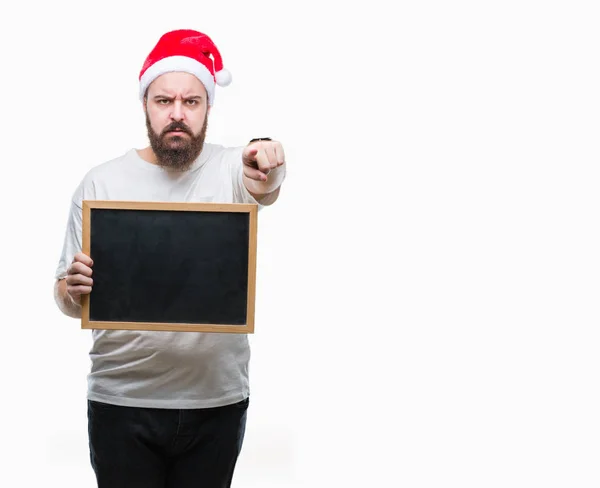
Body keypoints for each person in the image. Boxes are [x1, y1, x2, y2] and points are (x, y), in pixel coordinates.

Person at [53, 29, 286, 488]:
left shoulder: (231, 169)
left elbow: (266, 180)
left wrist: (271, 161)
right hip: (121, 401)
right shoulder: (101, 184)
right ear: (145, 105)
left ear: (208, 108)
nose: (177, 114)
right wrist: (70, 287)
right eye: (163, 101)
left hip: (215, 402)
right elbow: (65, 296)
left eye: (191, 102)